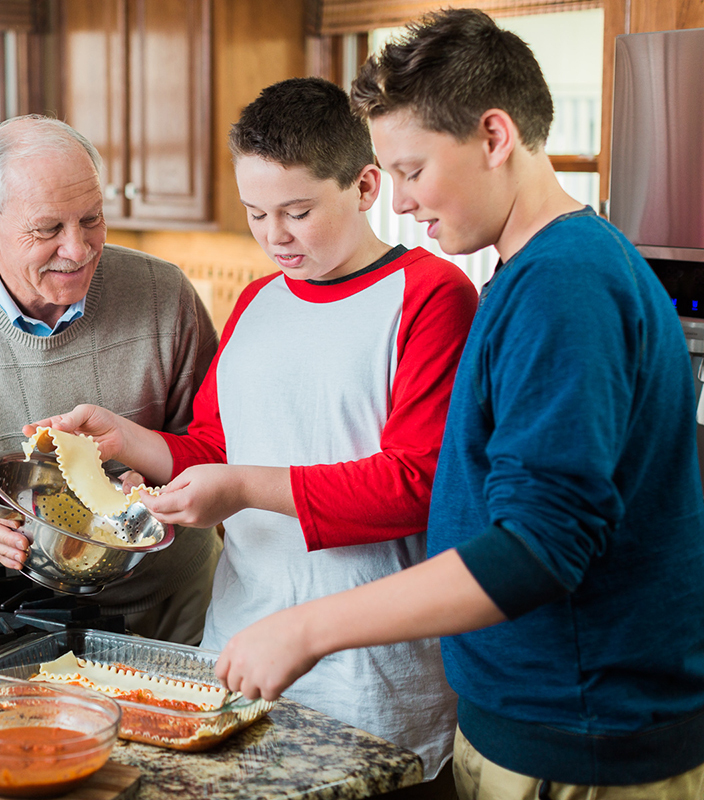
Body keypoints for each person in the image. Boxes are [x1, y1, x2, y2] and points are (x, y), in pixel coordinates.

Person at [213, 9, 704, 796]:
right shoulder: (535, 270)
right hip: (543, 720)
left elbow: (537, 547)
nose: (400, 202)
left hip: (578, 740)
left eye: (410, 170)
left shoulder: (563, 286)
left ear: (494, 136)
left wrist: (309, 628)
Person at [22, 78, 478, 780]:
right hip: (234, 656)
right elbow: (215, 446)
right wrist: (126, 439)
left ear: (364, 187)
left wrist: (239, 489)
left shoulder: (431, 296)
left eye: (297, 211)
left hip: (372, 680)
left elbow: (416, 485)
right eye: (256, 212)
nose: (274, 236)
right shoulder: (259, 299)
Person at [0, 115, 222, 645]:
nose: (77, 249)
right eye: (48, 229)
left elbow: (219, 444)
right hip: (20, 622)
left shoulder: (164, 294)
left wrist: (155, 481)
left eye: (91, 220)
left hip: (180, 605)